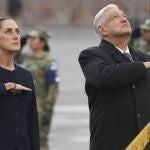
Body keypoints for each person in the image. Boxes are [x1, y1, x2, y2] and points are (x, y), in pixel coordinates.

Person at [78, 4, 150, 150]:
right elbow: (104, 76)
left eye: (124, 16)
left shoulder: (143, 57)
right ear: (102, 30)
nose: (123, 19)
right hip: (111, 143)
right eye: (115, 17)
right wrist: (143, 66)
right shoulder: (91, 55)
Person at [15, 26, 59, 150]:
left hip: (41, 106)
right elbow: (15, 58)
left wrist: (48, 107)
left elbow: (53, 86)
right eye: (30, 38)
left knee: (40, 140)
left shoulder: (49, 61)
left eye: (34, 38)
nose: (30, 41)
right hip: (26, 103)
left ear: (42, 42)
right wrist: (21, 42)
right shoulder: (27, 57)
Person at [0, 17, 39, 150]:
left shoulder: (26, 75)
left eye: (17, 31)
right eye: (8, 31)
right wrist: (7, 87)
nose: (15, 36)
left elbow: (32, 122)